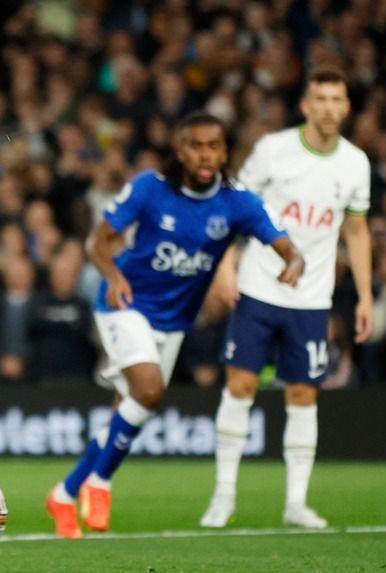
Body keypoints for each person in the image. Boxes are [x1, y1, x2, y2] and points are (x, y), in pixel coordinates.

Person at [44, 111, 305, 539]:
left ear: (224, 153)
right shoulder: (151, 188)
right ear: (181, 151)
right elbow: (97, 241)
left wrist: (293, 262)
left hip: (174, 323)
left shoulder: (238, 203)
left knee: (128, 413)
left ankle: (63, 492)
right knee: (148, 392)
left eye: (214, 146)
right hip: (124, 304)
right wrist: (113, 275)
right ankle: (99, 483)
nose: (205, 155)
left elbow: (285, 245)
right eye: (196, 146)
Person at [200, 67, 373, 530]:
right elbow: (233, 207)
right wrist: (225, 264)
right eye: (321, 98)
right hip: (258, 288)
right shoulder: (273, 151)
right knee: (240, 388)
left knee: (302, 394)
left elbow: (356, 231)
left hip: (313, 299)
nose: (329, 107)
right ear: (305, 105)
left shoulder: (355, 163)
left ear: (347, 106)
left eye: (337, 99)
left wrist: (366, 295)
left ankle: (296, 502)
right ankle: (224, 495)